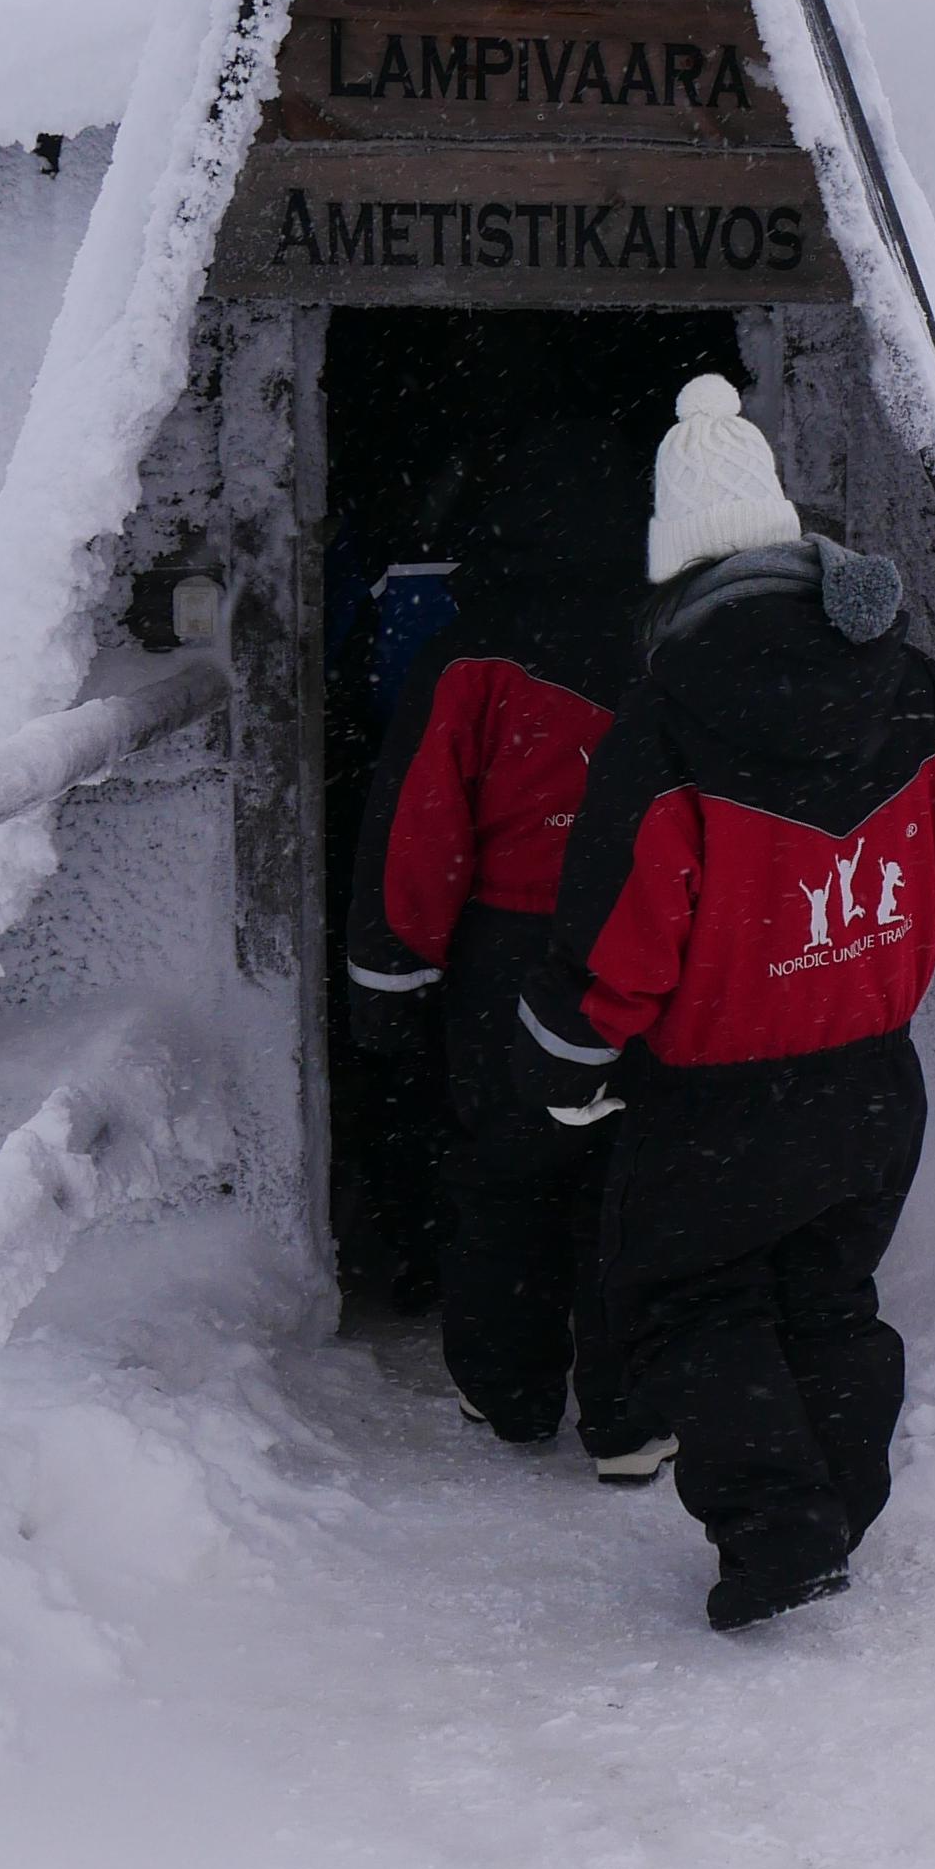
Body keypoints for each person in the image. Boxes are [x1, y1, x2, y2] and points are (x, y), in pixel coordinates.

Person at [519, 374, 935, 1632]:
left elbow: (616, 942)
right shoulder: (913, 685)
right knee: (827, 1298)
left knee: (692, 1302)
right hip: (870, 1081)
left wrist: (564, 1060)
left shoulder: (668, 721)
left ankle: (781, 1530)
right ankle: (832, 1507)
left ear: (674, 565)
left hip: (714, 1094)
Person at [343, 416, 668, 1473]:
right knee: (635, 1180)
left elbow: (418, 830)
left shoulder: (467, 653)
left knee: (503, 1171)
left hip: (506, 950)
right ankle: (630, 1418)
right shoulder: (673, 635)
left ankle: (508, 1390)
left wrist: (389, 977)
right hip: (647, 942)